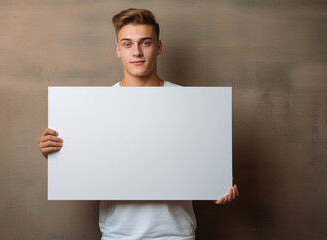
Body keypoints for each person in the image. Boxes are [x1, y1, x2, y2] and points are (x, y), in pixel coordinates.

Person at [38, 8, 239, 240]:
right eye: (127, 44)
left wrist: (217, 187)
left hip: (176, 234)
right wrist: (56, 153)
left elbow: (202, 168)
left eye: (145, 43)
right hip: (117, 234)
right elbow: (88, 164)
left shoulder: (191, 104)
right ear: (118, 50)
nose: (136, 52)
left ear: (159, 47)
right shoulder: (96, 107)